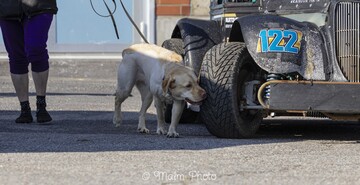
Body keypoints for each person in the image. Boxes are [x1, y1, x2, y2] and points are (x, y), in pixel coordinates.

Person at [0, 1, 58, 124]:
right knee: (16, 56)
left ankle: (41, 105)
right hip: (7, 7)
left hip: (40, 6)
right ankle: (24, 108)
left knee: (35, 48)